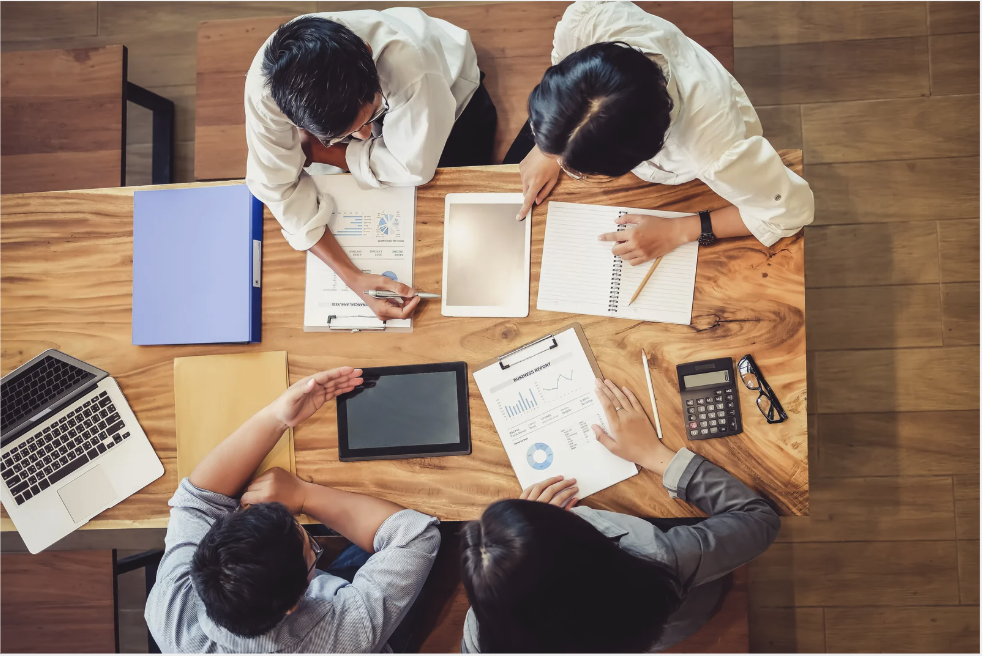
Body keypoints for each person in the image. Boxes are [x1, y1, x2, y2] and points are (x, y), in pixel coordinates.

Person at [459, 378, 781, 652]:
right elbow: (758, 519)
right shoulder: (658, 556)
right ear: (581, 540)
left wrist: (522, 547)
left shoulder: (481, 634)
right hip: (679, 613)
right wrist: (655, 455)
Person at [145, 367, 442, 652]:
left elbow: (198, 501)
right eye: (310, 548)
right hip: (352, 626)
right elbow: (416, 534)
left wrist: (276, 417)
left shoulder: (169, 611)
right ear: (295, 602)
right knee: (435, 520)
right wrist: (303, 496)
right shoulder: (346, 637)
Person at [509, 1, 814, 265]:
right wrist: (554, 142)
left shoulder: (715, 151)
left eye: (579, 169)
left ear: (644, 150)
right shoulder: (589, 21)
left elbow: (790, 212)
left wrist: (679, 230)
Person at [245, 10, 497, 321]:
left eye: (365, 121)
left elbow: (413, 167)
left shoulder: (410, 63)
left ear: (368, 51)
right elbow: (276, 187)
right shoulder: (266, 92)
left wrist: (328, 153)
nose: (363, 136)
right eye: (344, 136)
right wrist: (354, 279)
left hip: (451, 94)